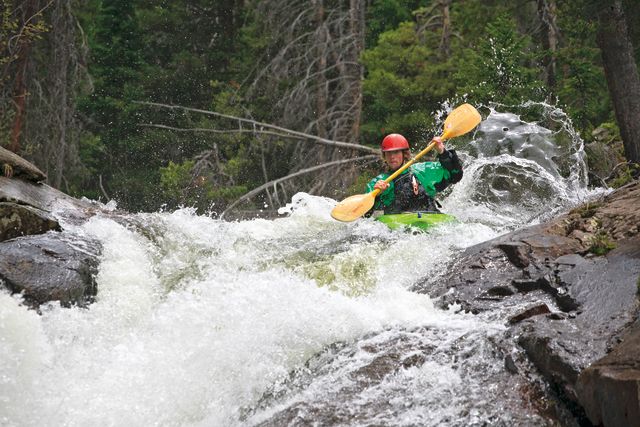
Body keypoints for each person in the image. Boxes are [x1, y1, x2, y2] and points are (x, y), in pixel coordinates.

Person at [365, 133, 463, 215]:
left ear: (405, 154)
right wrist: (376, 195)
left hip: (429, 219)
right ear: (384, 156)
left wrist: (443, 152)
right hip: (399, 228)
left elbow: (455, 175)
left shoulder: (423, 171)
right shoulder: (378, 183)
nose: (392, 157)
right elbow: (366, 213)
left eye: (396, 152)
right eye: (388, 153)